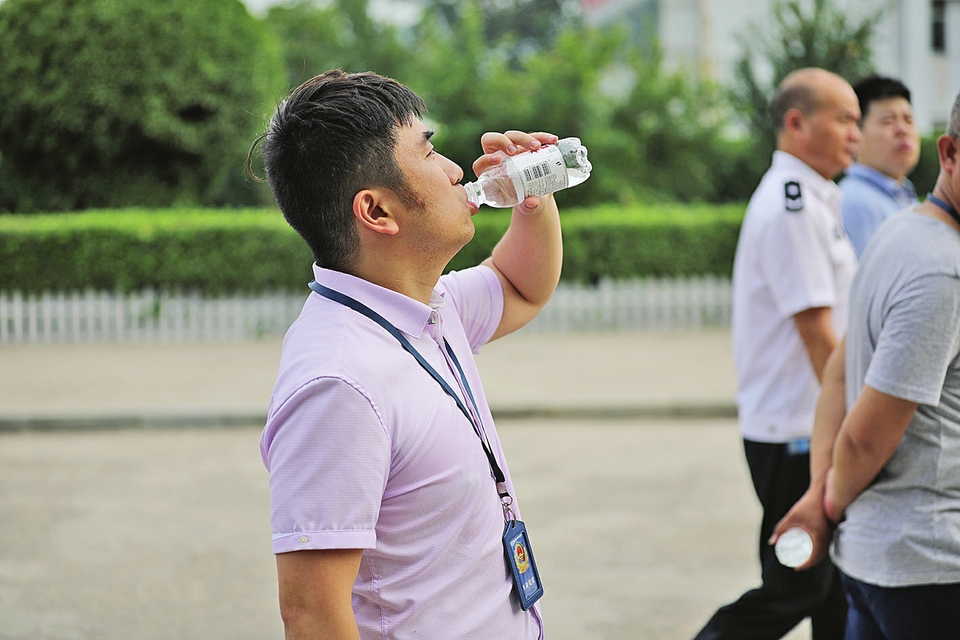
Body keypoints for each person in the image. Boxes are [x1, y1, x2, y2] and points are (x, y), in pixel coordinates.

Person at [251, 70, 562, 639]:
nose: (454, 170)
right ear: (376, 212)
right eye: (430, 151)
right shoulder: (340, 382)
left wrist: (531, 201)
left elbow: (522, 287)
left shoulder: (420, 304)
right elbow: (312, 617)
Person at [773, 93, 960, 639]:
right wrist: (824, 507)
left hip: (876, 562)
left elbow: (839, 370)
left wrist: (817, 493)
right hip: (928, 566)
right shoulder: (943, 274)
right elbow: (864, 438)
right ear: (948, 153)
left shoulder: (901, 231)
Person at [692, 68, 859, 640]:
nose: (854, 134)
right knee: (799, 582)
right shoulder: (792, 207)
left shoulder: (813, 198)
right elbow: (818, 333)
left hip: (807, 423)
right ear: (796, 123)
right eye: (844, 119)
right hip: (798, 428)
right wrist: (857, 419)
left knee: (836, 588)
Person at [839, 75, 921, 257]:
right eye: (888, 121)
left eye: (908, 120)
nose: (903, 130)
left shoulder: (903, 193)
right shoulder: (854, 202)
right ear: (857, 132)